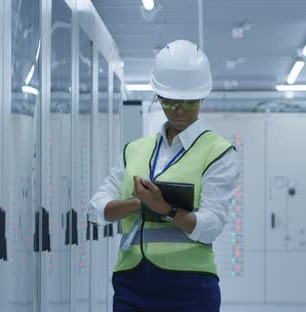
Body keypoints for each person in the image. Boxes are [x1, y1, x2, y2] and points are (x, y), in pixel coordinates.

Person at [89, 39, 240, 312]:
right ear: (158, 95)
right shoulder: (134, 150)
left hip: (190, 288)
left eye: (188, 101)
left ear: (202, 97)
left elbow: (212, 225)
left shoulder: (218, 153)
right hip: (130, 283)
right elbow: (97, 210)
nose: (179, 109)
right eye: (170, 101)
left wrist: (166, 209)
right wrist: (139, 204)